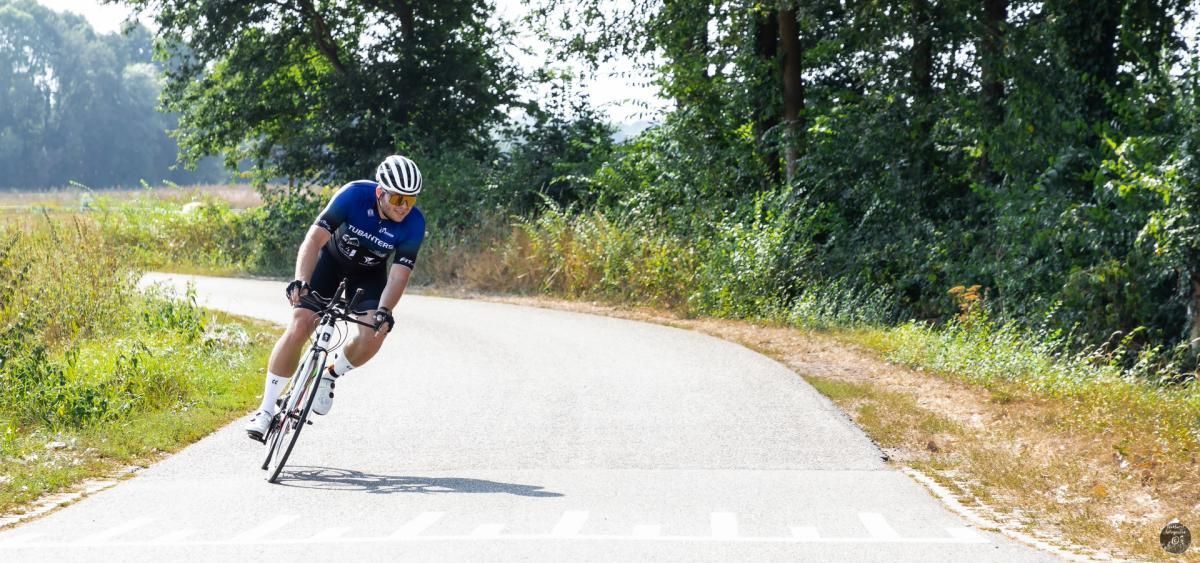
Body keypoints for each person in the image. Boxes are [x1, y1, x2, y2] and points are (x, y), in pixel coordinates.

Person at [244, 155, 426, 441]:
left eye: (410, 201)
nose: (403, 207)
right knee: (300, 324)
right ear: (380, 192)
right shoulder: (353, 195)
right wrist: (301, 279)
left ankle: (329, 374)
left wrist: (385, 310)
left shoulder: (414, 224)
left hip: (368, 277)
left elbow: (398, 275)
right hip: (329, 264)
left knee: (374, 335)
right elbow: (314, 240)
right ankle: (265, 411)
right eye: (397, 199)